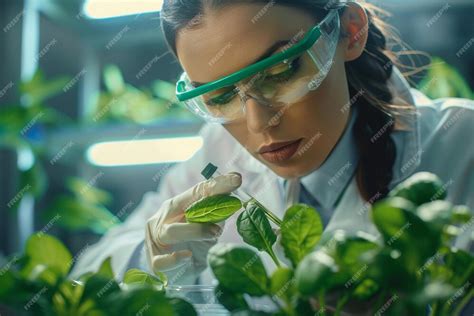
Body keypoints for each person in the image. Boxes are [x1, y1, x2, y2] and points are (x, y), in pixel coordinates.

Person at [71, 0, 473, 302]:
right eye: (220, 96)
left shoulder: (462, 144)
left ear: (349, 31)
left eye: (281, 71)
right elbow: (86, 271)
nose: (258, 123)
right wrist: (151, 252)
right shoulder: (219, 154)